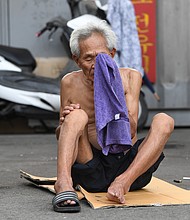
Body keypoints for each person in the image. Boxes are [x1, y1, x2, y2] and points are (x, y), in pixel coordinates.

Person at [52, 21, 174, 213]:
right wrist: (65, 123)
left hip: (130, 170)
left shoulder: (130, 78)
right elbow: (61, 135)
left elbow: (130, 130)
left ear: (112, 54)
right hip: (91, 169)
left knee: (164, 120)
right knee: (76, 116)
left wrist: (111, 93)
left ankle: (122, 183)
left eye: (101, 57)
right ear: (77, 60)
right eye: (88, 58)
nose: (95, 65)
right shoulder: (69, 82)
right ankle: (63, 183)